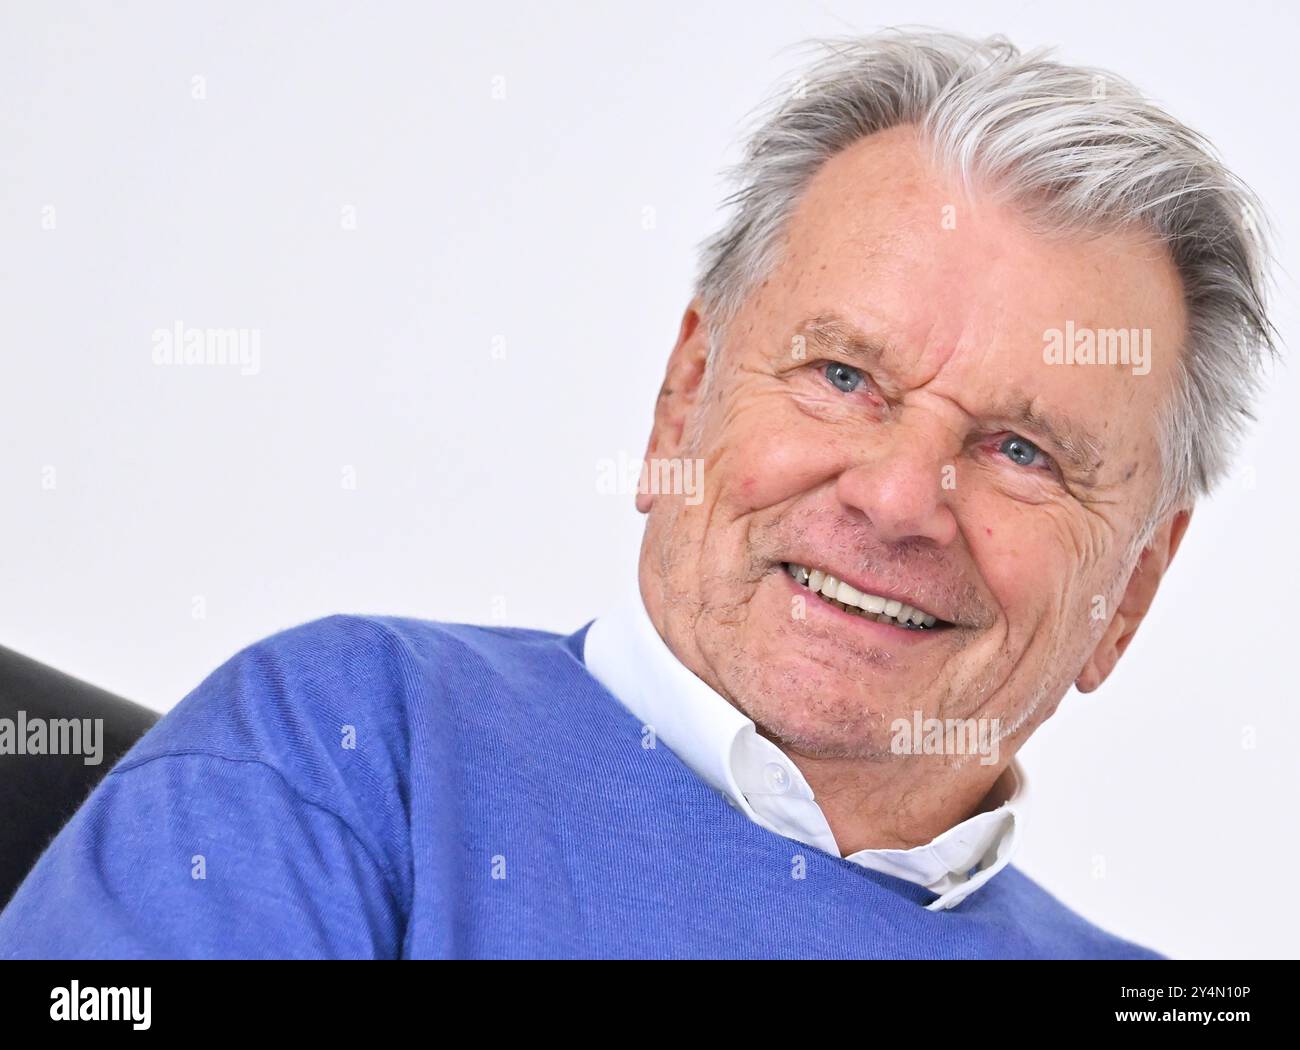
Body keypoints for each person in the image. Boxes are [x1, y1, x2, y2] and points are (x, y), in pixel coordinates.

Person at [0, 28, 1277, 959]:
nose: (898, 499)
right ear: (686, 394)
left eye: (1022, 452)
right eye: (842, 376)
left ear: (1130, 593)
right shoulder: (344, 749)